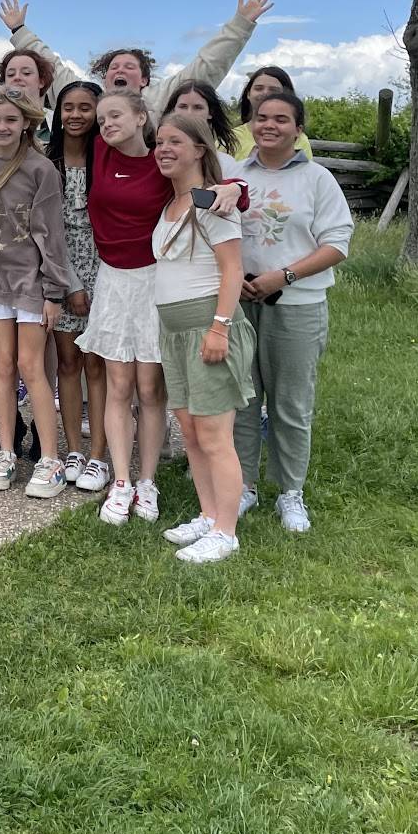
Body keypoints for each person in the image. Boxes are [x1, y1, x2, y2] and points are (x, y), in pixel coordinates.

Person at [79, 90, 242, 527]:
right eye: (101, 118)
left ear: (140, 118)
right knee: (117, 384)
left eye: (116, 115)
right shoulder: (98, 151)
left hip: (155, 279)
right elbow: (58, 87)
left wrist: (234, 188)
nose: (106, 124)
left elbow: (208, 179)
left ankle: (147, 480)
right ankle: (120, 481)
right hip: (113, 280)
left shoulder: (161, 158)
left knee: (150, 389)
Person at [232, 91, 352, 533]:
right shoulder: (235, 174)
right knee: (242, 400)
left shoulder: (317, 179)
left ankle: (290, 491)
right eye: (261, 118)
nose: (269, 126)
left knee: (289, 403)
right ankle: (242, 486)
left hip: (295, 304)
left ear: (298, 129)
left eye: (281, 119)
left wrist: (282, 276)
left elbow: (337, 243)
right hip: (242, 303)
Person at [151, 113, 255, 564]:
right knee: (191, 433)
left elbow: (232, 270)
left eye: (175, 141)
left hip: (207, 326)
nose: (164, 149)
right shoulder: (170, 205)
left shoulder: (212, 203)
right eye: (159, 142)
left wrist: (220, 327)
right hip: (173, 330)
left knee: (215, 435)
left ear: (199, 150)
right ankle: (209, 514)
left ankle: (226, 532)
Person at [0, 87, 73, 496]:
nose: (1, 127)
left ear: (27, 121)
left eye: (10, 119)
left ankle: (50, 459)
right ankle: (6, 451)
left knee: (32, 367)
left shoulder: (41, 168)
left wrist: (54, 291)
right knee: (3, 367)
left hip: (32, 282)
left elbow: (51, 234)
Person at [0, 0, 276, 113]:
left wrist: (240, 26)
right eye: (114, 67)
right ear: (104, 78)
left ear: (143, 80)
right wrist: (20, 32)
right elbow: (51, 67)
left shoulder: (162, 97)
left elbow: (205, 67)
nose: (119, 70)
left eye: (129, 67)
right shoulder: (88, 99)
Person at [46, 80, 109, 491]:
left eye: (85, 108)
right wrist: (68, 282)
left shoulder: (108, 159)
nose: (75, 115)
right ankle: (72, 449)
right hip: (60, 269)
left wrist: (96, 281)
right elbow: (46, 230)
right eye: (68, 107)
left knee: (97, 364)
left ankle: (99, 455)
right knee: (68, 362)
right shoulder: (46, 162)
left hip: (107, 271)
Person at [234, 66, 315, 160]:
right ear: (248, 94)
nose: (265, 93)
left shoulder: (298, 139)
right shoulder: (230, 138)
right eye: (259, 88)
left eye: (273, 90)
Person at [163, 80, 240, 171]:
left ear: (210, 113)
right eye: (183, 106)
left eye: (198, 107)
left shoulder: (226, 164)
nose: (189, 113)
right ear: (173, 110)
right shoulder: (162, 159)